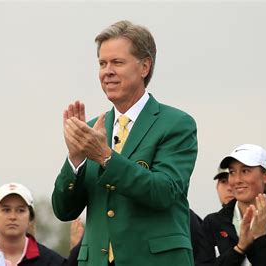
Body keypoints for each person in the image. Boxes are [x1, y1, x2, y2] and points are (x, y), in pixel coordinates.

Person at [51, 20, 198, 266]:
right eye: (102, 63)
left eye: (117, 62)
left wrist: (106, 157)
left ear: (144, 67)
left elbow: (164, 192)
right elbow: (64, 210)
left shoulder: (176, 124)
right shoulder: (93, 129)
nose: (107, 71)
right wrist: (75, 159)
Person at [196, 144, 266, 266]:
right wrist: (239, 249)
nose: (237, 180)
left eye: (245, 171)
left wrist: (260, 237)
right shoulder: (213, 223)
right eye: (232, 172)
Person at [0, 182, 67, 266]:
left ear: (30, 216)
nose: (12, 217)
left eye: (21, 210)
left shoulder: (52, 261)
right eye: (6, 210)